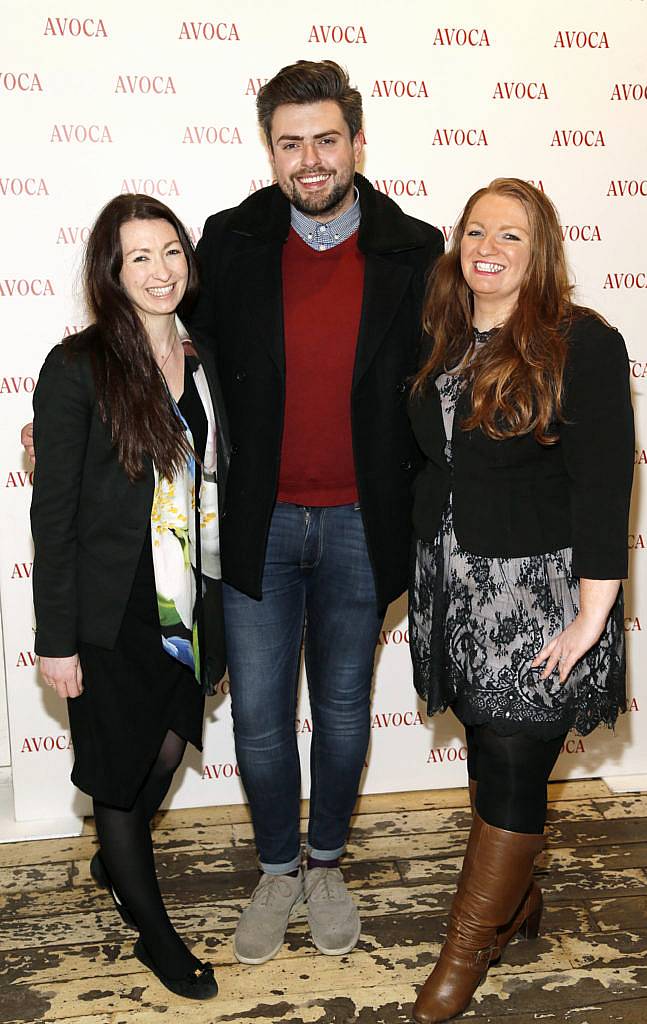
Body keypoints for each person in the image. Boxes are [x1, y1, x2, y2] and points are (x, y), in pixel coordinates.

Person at [187, 60, 444, 964]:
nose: (309, 159)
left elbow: (456, 377)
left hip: (361, 529)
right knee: (257, 715)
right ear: (270, 148)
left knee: (341, 710)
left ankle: (325, 862)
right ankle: (275, 870)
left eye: (325, 139)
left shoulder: (416, 251)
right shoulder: (227, 242)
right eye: (290, 142)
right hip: (260, 521)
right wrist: (68, 412)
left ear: (357, 141)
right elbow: (158, 340)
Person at [407, 178, 634, 1022]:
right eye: (475, 232)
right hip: (455, 584)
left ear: (541, 252)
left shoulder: (582, 342)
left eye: (511, 235)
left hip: (541, 592)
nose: (489, 249)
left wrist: (592, 615)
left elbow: (605, 484)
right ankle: (520, 899)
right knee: (490, 750)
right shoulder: (443, 335)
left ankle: (467, 951)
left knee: (510, 758)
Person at [30, 194, 230, 1000]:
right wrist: (57, 638)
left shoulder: (202, 356)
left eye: (171, 251)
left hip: (182, 604)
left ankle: (115, 860)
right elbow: (56, 513)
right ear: (111, 272)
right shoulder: (77, 365)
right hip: (110, 613)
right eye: (139, 256)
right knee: (119, 774)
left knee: (168, 749)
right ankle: (156, 935)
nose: (160, 269)